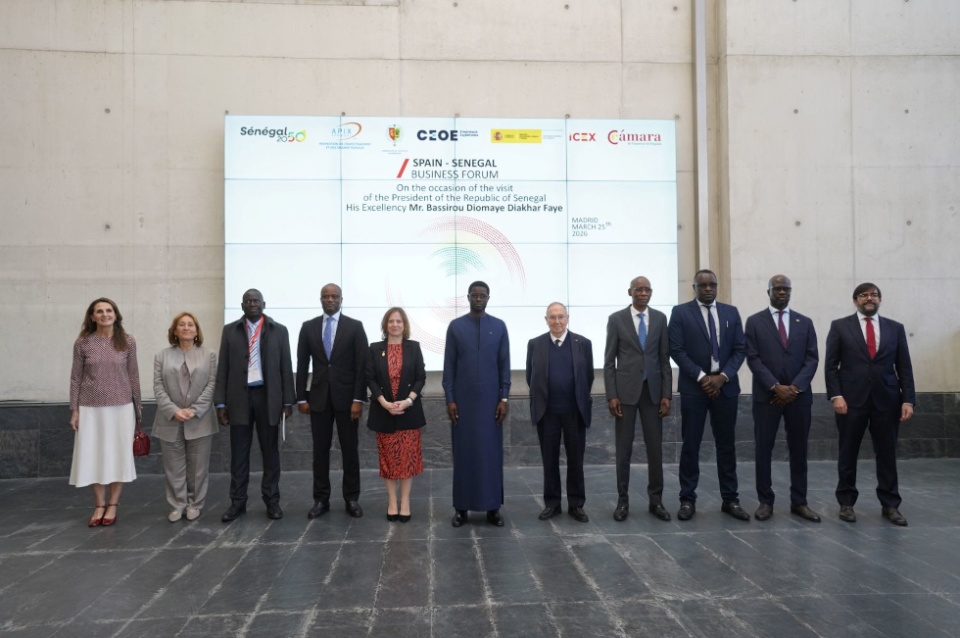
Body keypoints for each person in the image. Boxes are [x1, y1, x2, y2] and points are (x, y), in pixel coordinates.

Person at [825, 282, 915, 526]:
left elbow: (904, 366)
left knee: (887, 455)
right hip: (850, 401)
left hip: (887, 401)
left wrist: (908, 399)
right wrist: (836, 395)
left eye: (874, 295)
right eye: (863, 295)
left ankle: (890, 505)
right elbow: (831, 365)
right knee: (848, 452)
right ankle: (846, 503)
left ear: (880, 300)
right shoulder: (840, 327)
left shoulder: (895, 328)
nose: (869, 298)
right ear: (855, 301)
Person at [668, 269, 748, 521]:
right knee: (691, 444)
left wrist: (723, 376)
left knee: (726, 445)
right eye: (702, 285)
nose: (708, 289)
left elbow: (740, 349)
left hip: (725, 388)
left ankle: (730, 499)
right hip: (695, 389)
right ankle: (687, 499)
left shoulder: (731, 312)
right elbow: (676, 350)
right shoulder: (680, 313)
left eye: (712, 284)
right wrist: (702, 377)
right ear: (694, 287)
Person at [744, 275, 821, 522]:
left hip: (799, 397)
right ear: (768, 292)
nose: (782, 292)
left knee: (799, 449)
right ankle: (765, 501)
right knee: (763, 449)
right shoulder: (754, 322)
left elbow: (812, 358)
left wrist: (794, 388)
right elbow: (753, 358)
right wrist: (775, 386)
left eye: (786, 289)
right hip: (767, 397)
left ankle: (800, 502)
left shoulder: (805, 322)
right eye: (777, 288)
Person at [215, 289, 294, 522]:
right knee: (239, 454)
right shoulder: (230, 331)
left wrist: (287, 401)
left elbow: (286, 366)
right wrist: (220, 403)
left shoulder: (279, 331)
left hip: (268, 399)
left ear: (263, 304)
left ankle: (272, 501)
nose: (252, 304)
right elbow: (223, 368)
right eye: (248, 301)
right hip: (239, 398)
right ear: (242, 305)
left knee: (270, 453)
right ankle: (237, 503)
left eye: (256, 301)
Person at [604, 276, 673, 522]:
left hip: (653, 393)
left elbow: (664, 359)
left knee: (655, 450)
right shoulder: (616, 319)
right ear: (630, 292)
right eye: (639, 289)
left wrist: (666, 394)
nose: (643, 293)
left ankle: (656, 501)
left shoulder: (660, 319)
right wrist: (612, 395)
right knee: (624, 451)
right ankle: (622, 502)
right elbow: (609, 361)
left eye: (647, 290)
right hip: (625, 394)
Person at [297, 283, 368, 519]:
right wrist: (301, 397)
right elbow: (302, 365)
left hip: (348, 401)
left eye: (334, 296)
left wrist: (358, 399)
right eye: (326, 296)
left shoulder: (355, 327)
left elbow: (362, 366)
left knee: (350, 451)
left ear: (341, 299)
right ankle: (321, 500)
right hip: (318, 400)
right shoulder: (308, 327)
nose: (330, 300)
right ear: (320, 300)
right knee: (320, 451)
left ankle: (351, 498)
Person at [69, 297, 142, 527]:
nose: (104, 314)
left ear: (115, 314)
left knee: (118, 454)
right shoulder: (83, 343)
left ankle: (113, 504)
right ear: (92, 317)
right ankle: (99, 504)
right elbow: (75, 378)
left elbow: (133, 375)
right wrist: (74, 410)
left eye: (108, 310)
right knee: (93, 454)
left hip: (121, 407)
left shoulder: (128, 341)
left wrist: (138, 408)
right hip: (90, 408)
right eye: (99, 311)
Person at [443, 281, 511, 527]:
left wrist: (504, 398)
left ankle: (493, 508)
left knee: (491, 456)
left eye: (483, 295)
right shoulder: (456, 327)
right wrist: (450, 399)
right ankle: (461, 508)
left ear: (488, 298)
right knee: (464, 455)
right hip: (463, 404)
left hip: (492, 405)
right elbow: (449, 367)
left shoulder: (499, 327)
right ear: (468, 297)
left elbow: (504, 365)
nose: (479, 299)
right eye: (475, 295)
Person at [526, 302, 594, 523]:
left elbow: (588, 376)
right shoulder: (535, 344)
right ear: (546, 320)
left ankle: (576, 504)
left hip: (574, 412)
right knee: (549, 460)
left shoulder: (583, 343)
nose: (557, 321)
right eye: (552, 317)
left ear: (567, 318)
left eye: (560, 317)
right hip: (547, 413)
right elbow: (530, 377)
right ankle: (552, 504)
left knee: (575, 460)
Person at [152, 312, 218, 523]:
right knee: (173, 468)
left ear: (197, 330)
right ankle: (176, 505)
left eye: (191, 324)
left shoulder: (209, 355)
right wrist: (173, 410)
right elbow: (158, 386)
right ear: (175, 330)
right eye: (182, 324)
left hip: (200, 419)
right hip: (169, 419)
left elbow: (212, 384)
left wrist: (195, 409)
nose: (186, 328)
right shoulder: (162, 355)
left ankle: (194, 504)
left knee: (198, 468)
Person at [365, 307, 426, 523]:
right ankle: (392, 502)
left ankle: (405, 502)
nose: (395, 324)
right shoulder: (375, 348)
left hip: (408, 413)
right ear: (385, 324)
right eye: (391, 321)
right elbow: (370, 378)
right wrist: (383, 402)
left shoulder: (414, 347)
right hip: (384, 412)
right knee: (388, 461)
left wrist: (408, 401)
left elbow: (420, 377)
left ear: (404, 325)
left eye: (399, 321)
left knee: (407, 461)